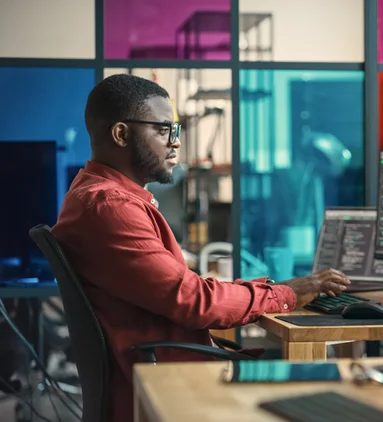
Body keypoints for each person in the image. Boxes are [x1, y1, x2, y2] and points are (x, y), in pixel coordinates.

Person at [52, 74, 350, 422]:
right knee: (331, 387)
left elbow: (188, 293)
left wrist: (274, 290)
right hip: (164, 385)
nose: (176, 143)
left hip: (159, 372)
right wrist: (284, 294)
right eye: (164, 130)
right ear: (121, 134)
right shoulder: (110, 207)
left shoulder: (96, 196)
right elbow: (194, 301)